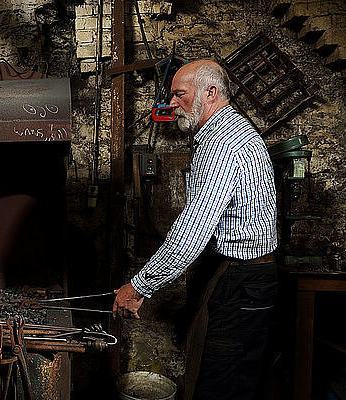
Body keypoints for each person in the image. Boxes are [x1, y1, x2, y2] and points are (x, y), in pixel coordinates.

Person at [112, 59, 278, 400]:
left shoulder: (224, 143)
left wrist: (138, 286)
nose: (172, 103)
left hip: (242, 281)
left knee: (220, 385)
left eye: (180, 95)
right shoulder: (222, 135)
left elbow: (193, 230)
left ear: (211, 93)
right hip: (237, 275)